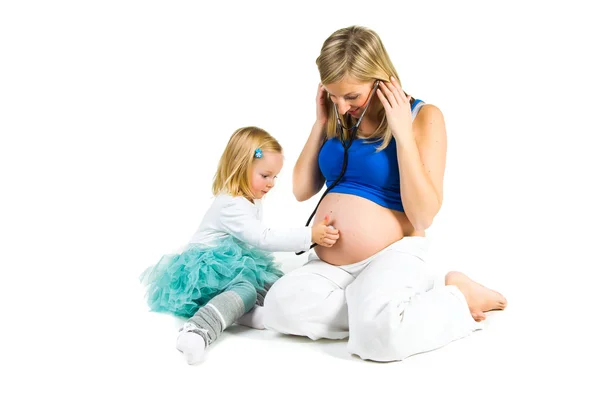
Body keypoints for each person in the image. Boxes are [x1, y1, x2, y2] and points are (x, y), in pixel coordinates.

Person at [263, 26, 507, 362]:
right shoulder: (337, 118)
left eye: (351, 96)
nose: (342, 105)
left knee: (381, 341)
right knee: (279, 307)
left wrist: (402, 134)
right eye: (333, 96)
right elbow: (302, 190)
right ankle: (384, 307)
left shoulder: (425, 117)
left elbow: (423, 216)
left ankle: (457, 298)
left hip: (394, 253)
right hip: (331, 261)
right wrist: (320, 122)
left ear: (381, 80)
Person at [139, 126, 339, 364]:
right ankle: (198, 330)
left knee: (270, 283)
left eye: (275, 177)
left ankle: (243, 312)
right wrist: (310, 235)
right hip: (206, 269)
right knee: (245, 288)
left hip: (229, 262)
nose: (272, 183)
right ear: (240, 167)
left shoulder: (248, 198)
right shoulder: (231, 204)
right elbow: (262, 237)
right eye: (265, 176)